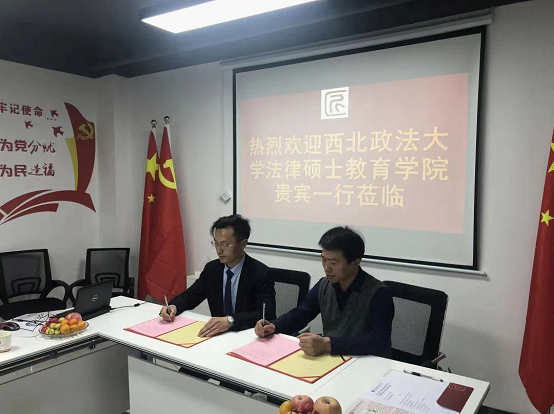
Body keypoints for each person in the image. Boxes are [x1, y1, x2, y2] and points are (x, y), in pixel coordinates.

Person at [255, 226, 394, 357]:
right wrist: (274, 326)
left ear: (355, 262)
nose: (327, 268)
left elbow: (377, 342)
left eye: (333, 263)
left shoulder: (378, 293)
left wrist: (328, 344)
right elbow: (301, 314)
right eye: (323, 260)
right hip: (331, 359)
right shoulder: (324, 285)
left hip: (367, 362)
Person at [160, 214, 276, 337]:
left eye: (225, 244)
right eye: (216, 243)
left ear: (243, 244)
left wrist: (231, 320)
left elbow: (267, 314)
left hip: (248, 336)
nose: (219, 250)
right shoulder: (212, 269)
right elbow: (191, 296)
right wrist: (174, 306)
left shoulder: (260, 273)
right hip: (218, 336)